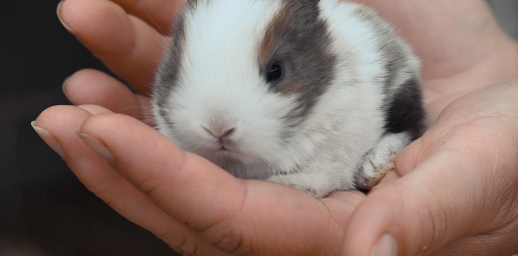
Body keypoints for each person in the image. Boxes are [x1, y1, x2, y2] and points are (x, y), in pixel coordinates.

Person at [32, 0, 518, 255]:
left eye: (273, 75)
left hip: (387, 109)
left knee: (395, 77)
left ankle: (396, 139)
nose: (219, 127)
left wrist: (329, 170)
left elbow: (363, 105)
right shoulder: (178, 94)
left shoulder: (347, 79)